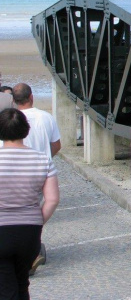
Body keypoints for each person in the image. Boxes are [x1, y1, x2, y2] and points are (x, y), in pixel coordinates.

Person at [0, 108, 59, 299]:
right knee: (22, 283)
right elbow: (52, 200)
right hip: (30, 230)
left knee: (6, 288)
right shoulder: (42, 160)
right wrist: (37, 220)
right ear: (26, 130)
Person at [12, 83, 62, 275]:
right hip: (42, 172)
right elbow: (56, 145)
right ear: (31, 97)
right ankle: (31, 248)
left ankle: (24, 250)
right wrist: (45, 159)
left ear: (14, 101)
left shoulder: (12, 119)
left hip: (16, 172)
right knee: (38, 210)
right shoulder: (46, 117)